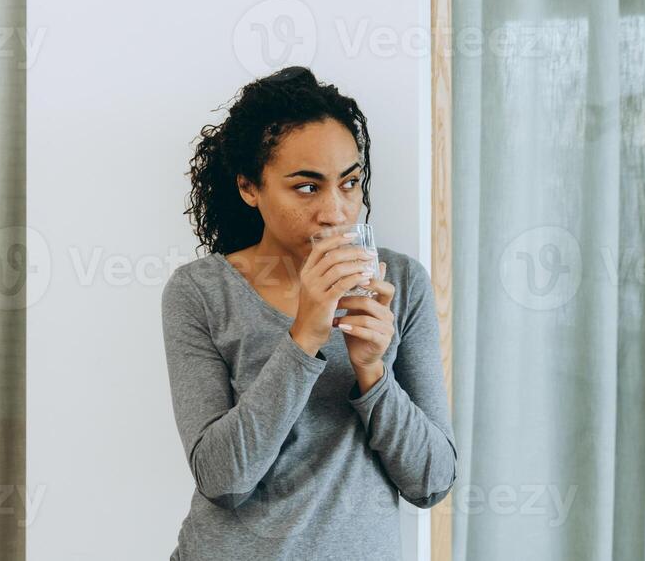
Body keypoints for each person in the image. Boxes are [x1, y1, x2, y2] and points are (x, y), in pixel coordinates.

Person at [161, 66, 455, 560]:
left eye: (350, 183)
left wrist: (372, 373)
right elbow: (223, 481)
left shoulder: (400, 283)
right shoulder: (201, 292)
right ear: (249, 188)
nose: (336, 211)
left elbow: (431, 482)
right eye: (306, 187)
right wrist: (304, 337)